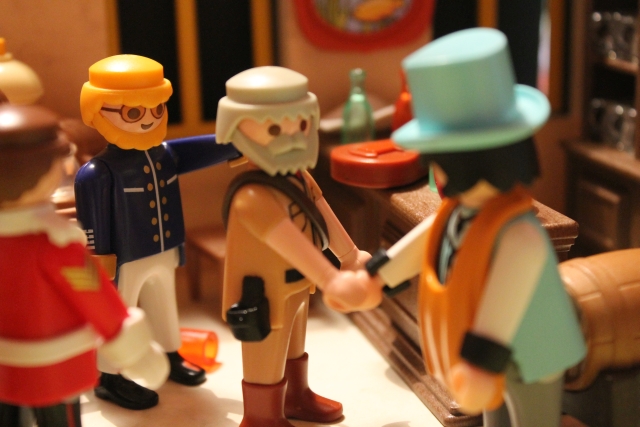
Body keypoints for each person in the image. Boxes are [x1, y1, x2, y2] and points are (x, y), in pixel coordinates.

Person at [334, 28, 587, 427]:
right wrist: (374, 278)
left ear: (480, 160)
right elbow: (425, 242)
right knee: (495, 418)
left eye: (442, 160)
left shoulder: (520, 235)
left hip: (530, 353)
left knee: (530, 419)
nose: (436, 172)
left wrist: (481, 361)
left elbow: (503, 300)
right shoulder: (458, 212)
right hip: (485, 354)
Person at [215, 66, 381, 427]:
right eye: (275, 129)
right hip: (263, 293)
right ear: (236, 128)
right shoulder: (253, 197)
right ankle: (261, 417)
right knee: (267, 351)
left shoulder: (297, 176)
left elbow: (321, 213)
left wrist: (350, 255)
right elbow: (287, 239)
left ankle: (296, 396)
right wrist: (331, 279)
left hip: (298, 283)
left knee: (294, 342)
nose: (291, 137)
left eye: (301, 125)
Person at [75, 54, 241, 410]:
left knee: (165, 304)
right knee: (119, 317)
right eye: (134, 112)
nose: (148, 119)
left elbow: (205, 149)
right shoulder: (97, 172)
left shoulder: (164, 155)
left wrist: (238, 139)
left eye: (156, 109)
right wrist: (100, 262)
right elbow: (91, 223)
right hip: (123, 258)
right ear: (96, 110)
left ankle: (170, 353)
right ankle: (109, 375)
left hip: (165, 250)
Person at [0, 104, 168, 427]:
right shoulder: (57, 247)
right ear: (43, 170)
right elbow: (96, 297)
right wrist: (136, 353)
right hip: (53, 365)